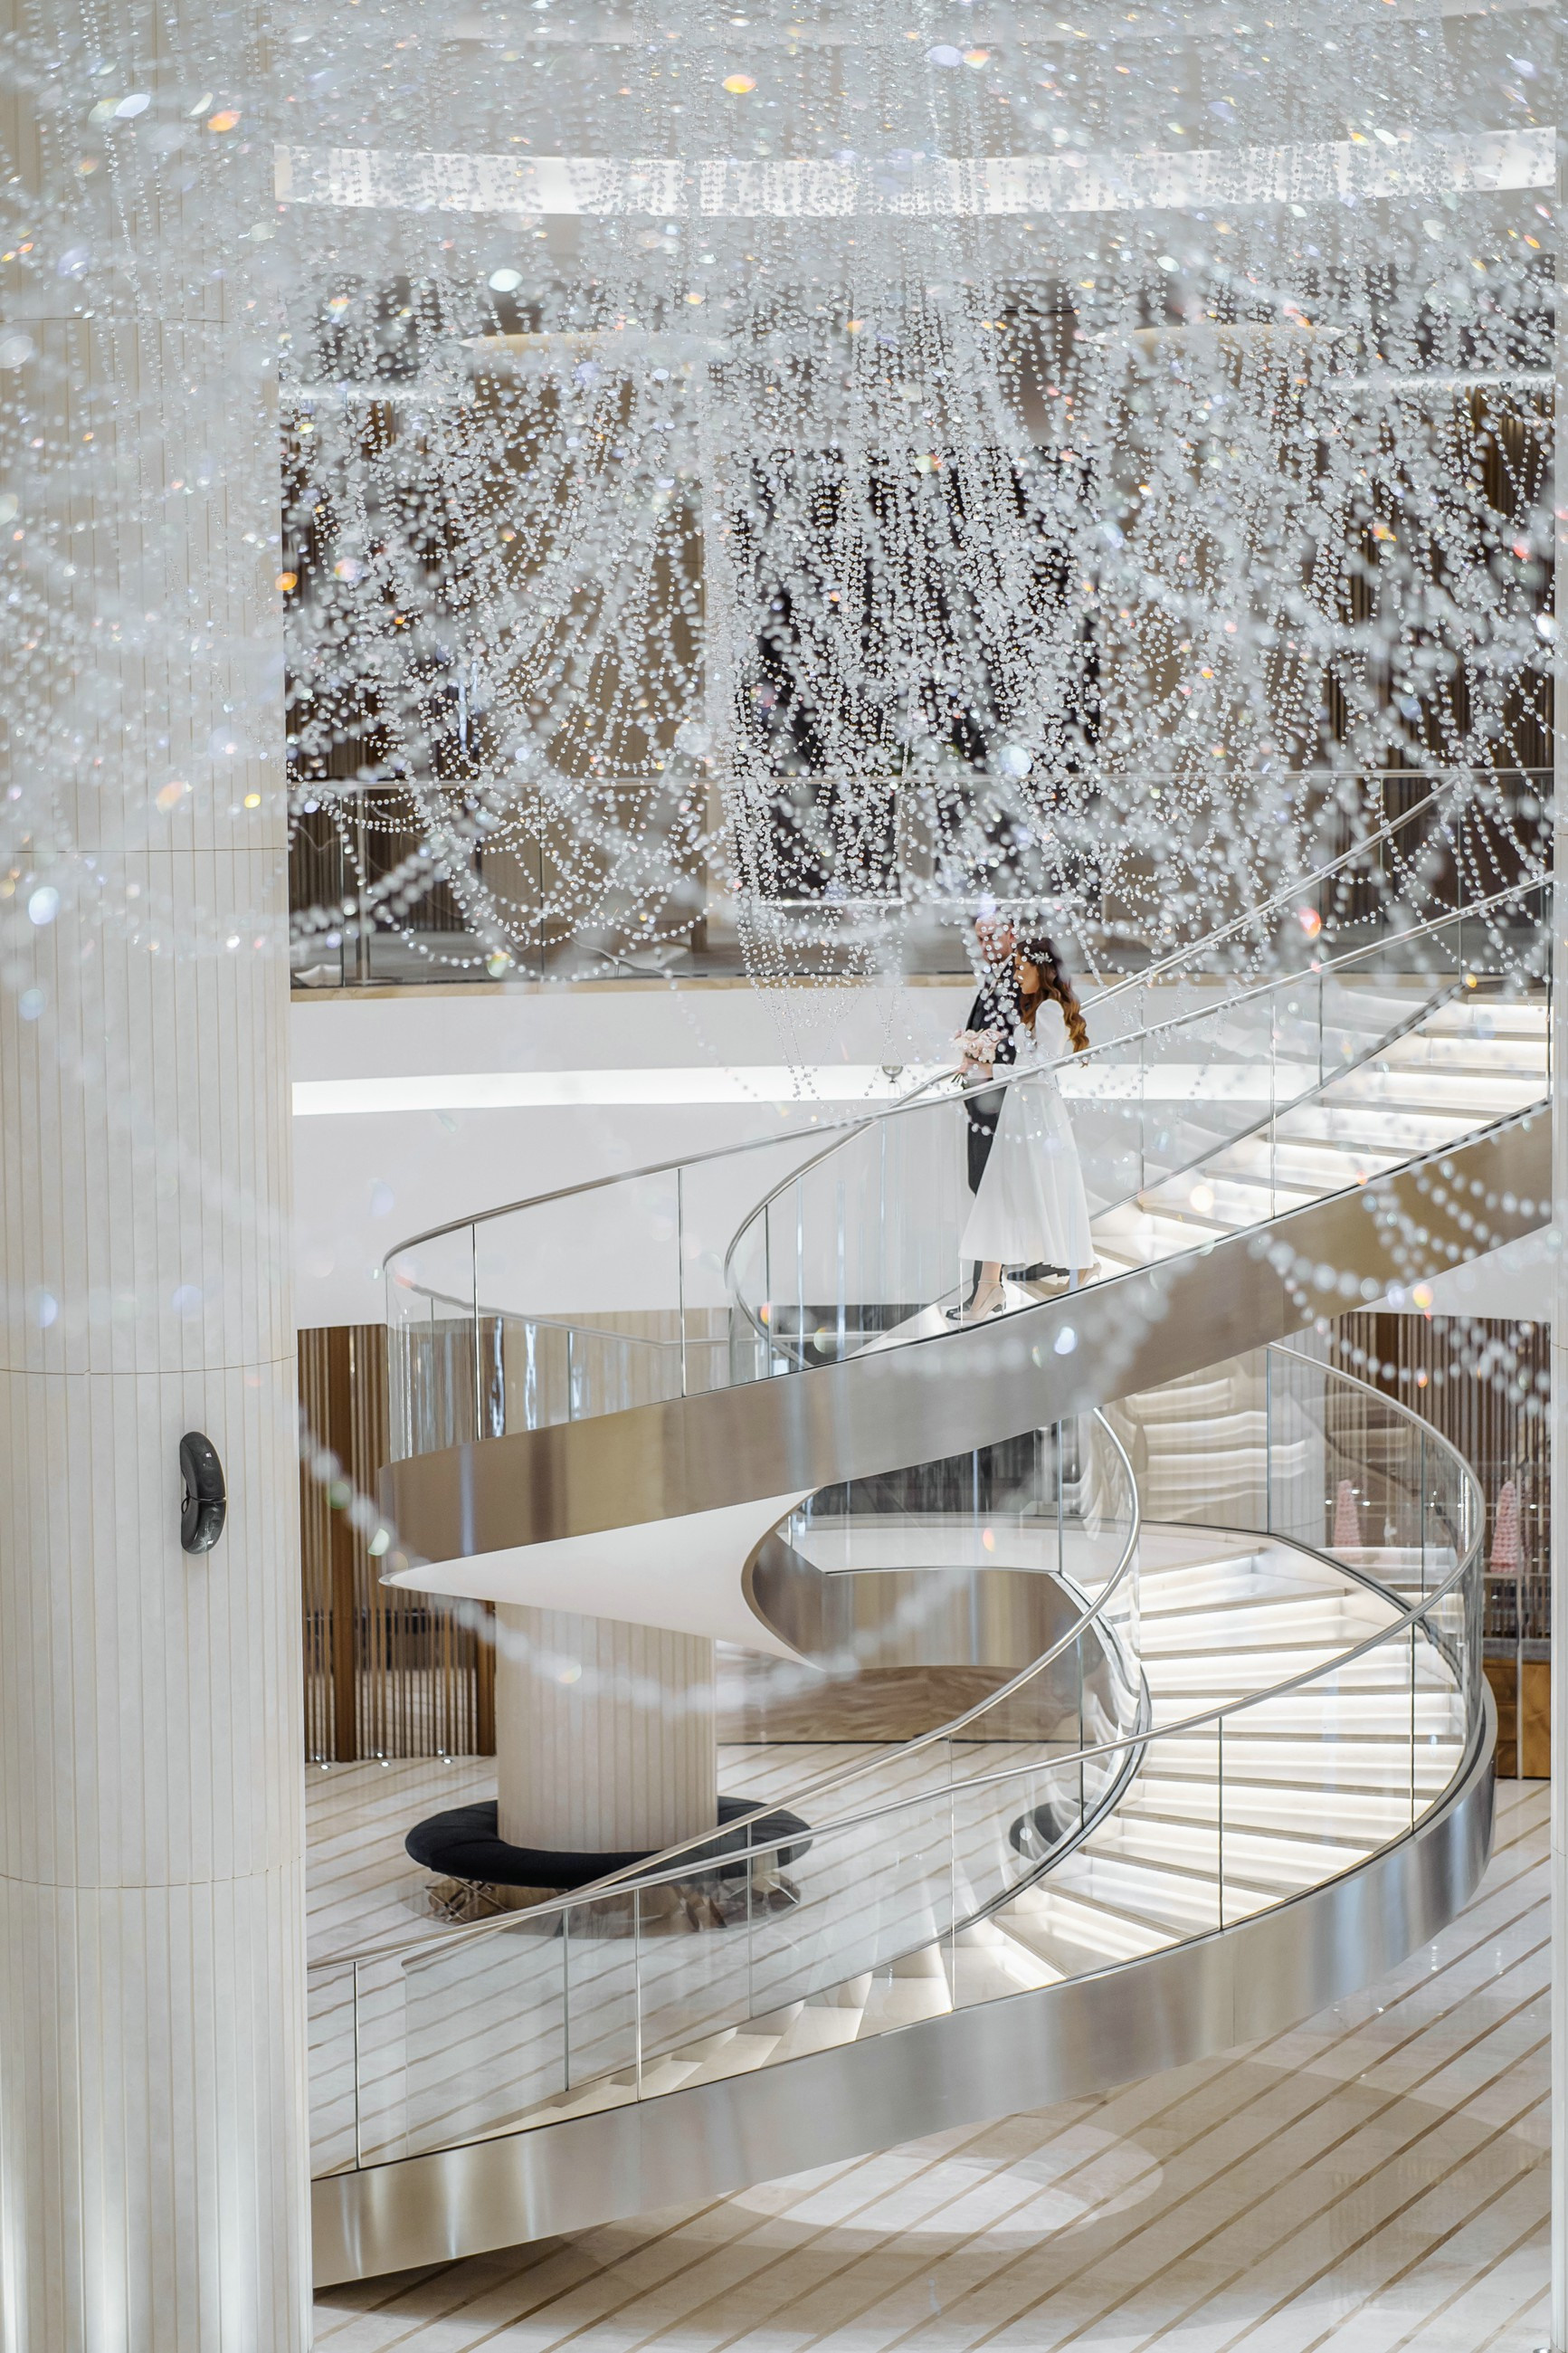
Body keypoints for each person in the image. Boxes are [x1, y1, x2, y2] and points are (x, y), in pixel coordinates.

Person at [949, 936, 1096, 1324]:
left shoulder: (1049, 1009)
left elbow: (1042, 1068)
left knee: (1043, 1188)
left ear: (1041, 969)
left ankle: (1081, 1264)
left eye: (1021, 968)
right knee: (1000, 1193)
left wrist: (990, 1069)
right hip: (1022, 1112)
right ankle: (989, 1286)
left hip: (1038, 1117)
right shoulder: (1037, 1009)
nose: (1016, 975)